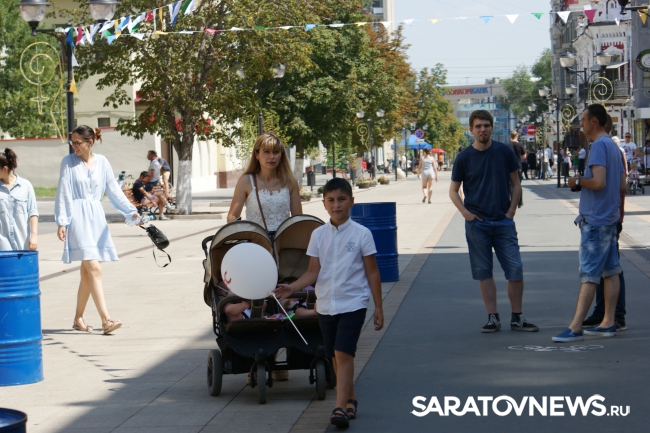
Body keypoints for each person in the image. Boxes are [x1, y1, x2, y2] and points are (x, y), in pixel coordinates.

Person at [274, 177, 383, 429]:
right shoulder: (318, 234)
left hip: (353, 303)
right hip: (325, 305)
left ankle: (339, 407)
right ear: (324, 204)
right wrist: (292, 287)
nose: (337, 205)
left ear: (352, 202)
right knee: (335, 354)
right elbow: (313, 271)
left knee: (344, 352)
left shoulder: (362, 234)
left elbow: (372, 272)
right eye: (331, 200)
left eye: (342, 200)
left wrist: (378, 306)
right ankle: (351, 398)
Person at [449, 110, 538, 334]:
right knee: (484, 271)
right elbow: (453, 191)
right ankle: (493, 317)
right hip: (477, 223)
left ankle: (517, 317)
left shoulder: (504, 151)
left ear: (492, 127)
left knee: (515, 268)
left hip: (503, 221)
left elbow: (516, 184)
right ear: (471, 129)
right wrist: (466, 213)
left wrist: (511, 211)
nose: (483, 130)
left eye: (486, 125)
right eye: (478, 126)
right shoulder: (464, 158)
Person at [227, 132, 302, 381]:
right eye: (266, 152)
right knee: (258, 300)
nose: (271, 156)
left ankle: (278, 357)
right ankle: (258, 359)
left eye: (276, 152)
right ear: (257, 154)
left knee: (282, 299)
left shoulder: (290, 181)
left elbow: (298, 220)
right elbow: (232, 215)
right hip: (256, 247)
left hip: (284, 248)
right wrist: (239, 236)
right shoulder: (247, 180)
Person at [55, 126, 139, 334]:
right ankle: (106, 320)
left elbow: (113, 190)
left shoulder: (102, 162)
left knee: (86, 274)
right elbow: (63, 192)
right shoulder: (68, 162)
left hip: (95, 217)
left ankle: (78, 319)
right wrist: (62, 221)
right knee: (95, 269)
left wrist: (131, 212)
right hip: (77, 217)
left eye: (78, 143)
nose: (74, 146)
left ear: (89, 142)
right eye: (72, 142)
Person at [552, 105, 626, 342]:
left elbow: (599, 182)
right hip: (610, 218)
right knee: (611, 271)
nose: (581, 124)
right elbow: (622, 185)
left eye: (583, 120)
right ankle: (608, 322)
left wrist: (578, 181)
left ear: (594, 121)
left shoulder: (598, 147)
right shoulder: (613, 147)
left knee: (589, 274)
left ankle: (575, 327)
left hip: (595, 220)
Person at [0, 149, 38, 251]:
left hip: (22, 242)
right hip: (2, 244)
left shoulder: (25, 186)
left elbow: (33, 212)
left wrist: (34, 236)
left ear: (4, 169)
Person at [507, 131, 525, 207]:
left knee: (510, 184)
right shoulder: (520, 145)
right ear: (517, 136)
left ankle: (511, 200)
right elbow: (524, 156)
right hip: (518, 165)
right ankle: (520, 202)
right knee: (518, 184)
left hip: (509, 166)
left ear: (510, 136)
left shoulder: (507, 145)